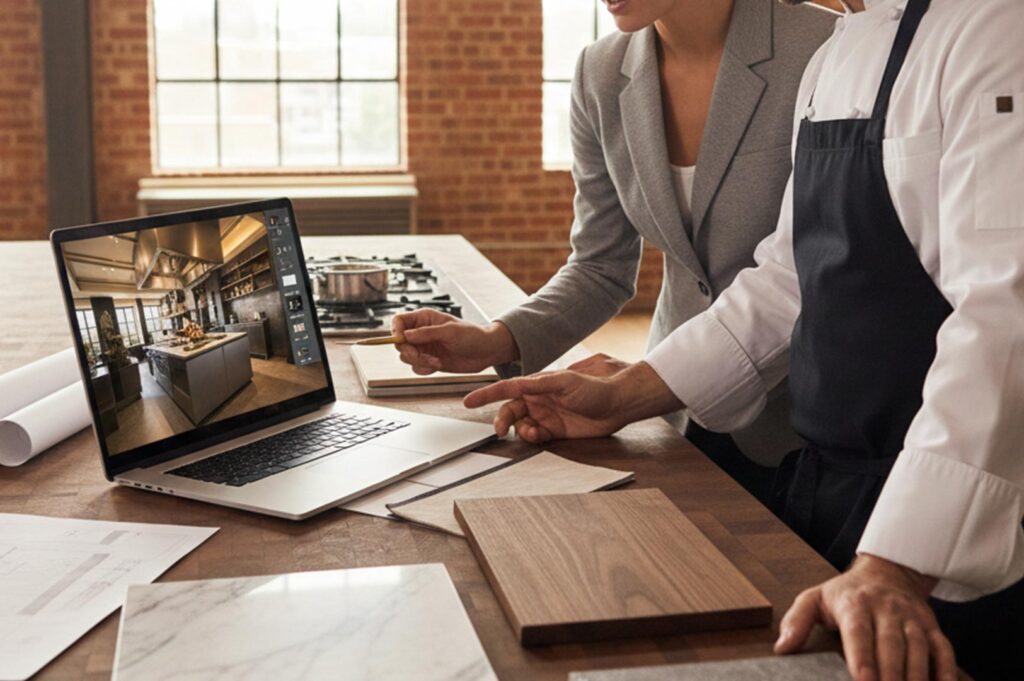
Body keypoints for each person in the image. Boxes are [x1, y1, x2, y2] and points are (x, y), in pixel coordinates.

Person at [459, 0, 1024, 679]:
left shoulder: (997, 27)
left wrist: (895, 566)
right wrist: (622, 397)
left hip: (946, 528)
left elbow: (1005, 313)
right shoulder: (837, 55)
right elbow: (786, 278)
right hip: (828, 488)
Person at [391, 0, 836, 502]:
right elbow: (600, 265)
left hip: (813, 422)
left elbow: (817, 265)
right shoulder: (600, 72)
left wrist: (634, 388)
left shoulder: (828, 48)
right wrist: (498, 340)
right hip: (673, 409)